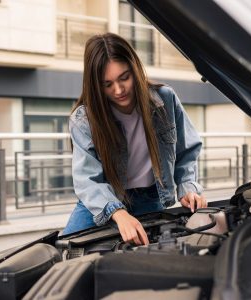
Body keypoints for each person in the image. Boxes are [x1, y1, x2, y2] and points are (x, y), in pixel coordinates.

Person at [62, 32, 207, 245]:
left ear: (135, 69)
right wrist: (118, 213)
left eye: (124, 78)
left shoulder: (165, 100)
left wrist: (187, 186)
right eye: (107, 84)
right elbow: (87, 179)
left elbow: (186, 151)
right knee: (66, 250)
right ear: (95, 85)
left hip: (150, 198)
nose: (119, 90)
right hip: (103, 200)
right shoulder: (84, 119)